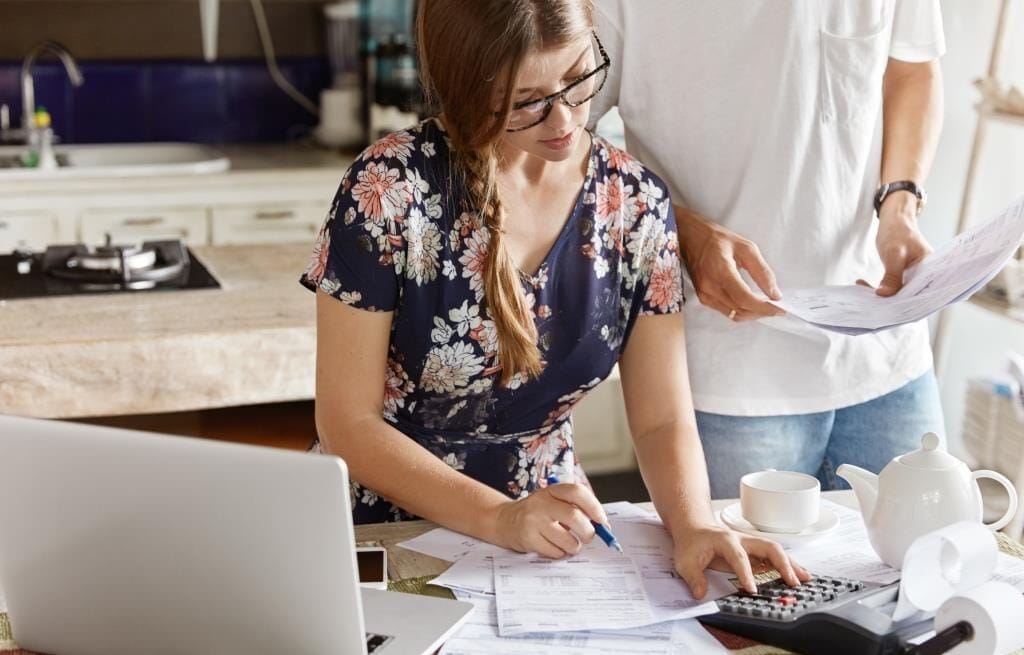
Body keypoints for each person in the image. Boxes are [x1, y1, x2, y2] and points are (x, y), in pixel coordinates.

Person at [301, 0, 808, 598]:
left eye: (577, 79)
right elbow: (346, 424)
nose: (565, 119)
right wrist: (499, 518)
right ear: (468, 90)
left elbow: (662, 416)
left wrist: (694, 522)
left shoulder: (636, 203)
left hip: (552, 532)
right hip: (383, 532)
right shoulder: (388, 189)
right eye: (527, 101)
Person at [590, 0, 947, 499]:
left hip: (886, 351)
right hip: (727, 368)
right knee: (745, 577)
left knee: (926, 565)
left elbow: (913, 70)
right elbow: (556, 133)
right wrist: (683, 231)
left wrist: (900, 202)